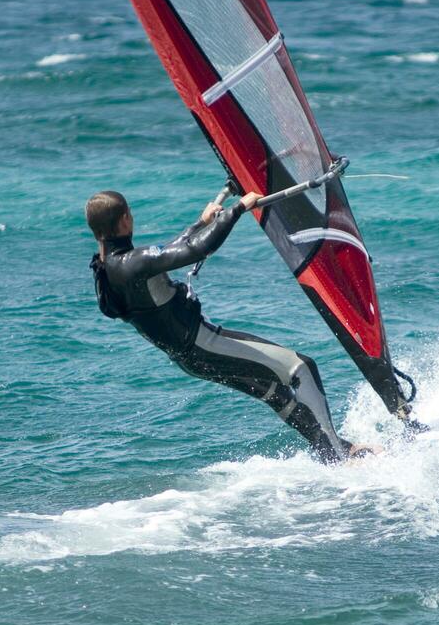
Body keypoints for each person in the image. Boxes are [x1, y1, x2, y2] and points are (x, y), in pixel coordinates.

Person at [85, 190, 372, 463]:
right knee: (301, 367)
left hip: (189, 359)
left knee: (273, 391)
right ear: (126, 219)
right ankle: (337, 456)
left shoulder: (106, 270)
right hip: (204, 344)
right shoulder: (134, 262)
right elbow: (195, 250)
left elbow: (172, 251)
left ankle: (330, 450)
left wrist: (201, 222)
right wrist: (237, 209)